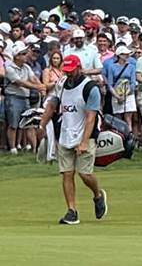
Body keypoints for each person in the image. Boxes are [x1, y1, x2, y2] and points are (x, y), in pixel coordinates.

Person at [39, 54, 107, 225]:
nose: (68, 74)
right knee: (67, 173)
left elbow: (91, 117)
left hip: (86, 134)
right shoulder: (61, 83)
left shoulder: (90, 88)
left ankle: (98, 195)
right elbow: (53, 104)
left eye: (71, 70)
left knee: (85, 174)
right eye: (66, 71)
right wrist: (42, 126)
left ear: (79, 68)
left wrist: (84, 141)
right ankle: (72, 211)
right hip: (65, 134)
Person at [5, 42, 45, 154]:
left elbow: (33, 78)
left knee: (29, 123)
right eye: (23, 53)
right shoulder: (9, 68)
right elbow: (20, 82)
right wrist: (38, 87)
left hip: (25, 97)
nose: (26, 55)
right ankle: (13, 148)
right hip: (13, 97)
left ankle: (34, 149)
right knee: (13, 124)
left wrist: (41, 86)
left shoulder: (26, 67)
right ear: (16, 56)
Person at [106, 46, 137, 136]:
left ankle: (129, 138)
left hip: (128, 94)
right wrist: (117, 96)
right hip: (116, 94)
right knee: (118, 119)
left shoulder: (131, 67)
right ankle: (120, 137)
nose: (127, 56)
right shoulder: (112, 67)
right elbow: (110, 84)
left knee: (128, 119)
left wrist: (125, 95)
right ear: (119, 55)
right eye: (124, 54)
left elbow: (133, 83)